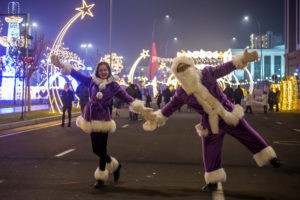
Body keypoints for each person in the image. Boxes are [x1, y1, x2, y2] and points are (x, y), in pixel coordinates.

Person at [143, 49, 282, 192]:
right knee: (210, 152)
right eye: (180, 69)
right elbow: (169, 108)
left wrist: (242, 59)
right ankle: (213, 180)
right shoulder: (181, 93)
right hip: (210, 123)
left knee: (249, 135)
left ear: (192, 66)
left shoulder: (207, 74)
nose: (184, 71)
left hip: (229, 114)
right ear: (177, 74)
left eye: (185, 66)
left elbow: (225, 68)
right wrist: (156, 118)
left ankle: (271, 158)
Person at [51, 55, 154, 188]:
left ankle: (101, 178)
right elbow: (78, 75)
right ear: (97, 71)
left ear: (109, 71)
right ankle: (115, 166)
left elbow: (127, 97)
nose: (103, 72)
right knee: (95, 149)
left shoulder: (113, 85)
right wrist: (62, 65)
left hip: (104, 118)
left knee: (102, 147)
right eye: (101, 70)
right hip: (91, 117)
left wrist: (141, 107)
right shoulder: (92, 81)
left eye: (105, 70)